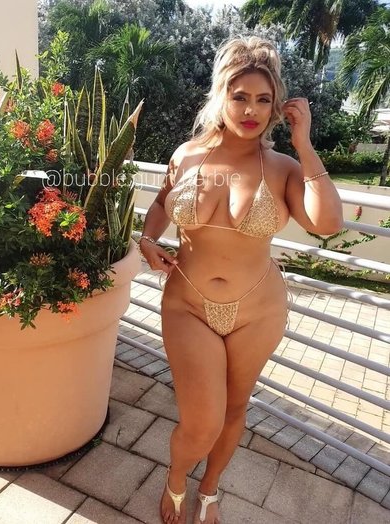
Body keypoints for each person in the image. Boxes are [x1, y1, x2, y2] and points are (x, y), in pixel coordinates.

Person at [138, 36, 343, 524]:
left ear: (276, 107)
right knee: (201, 422)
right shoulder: (187, 155)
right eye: (240, 96)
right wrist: (147, 240)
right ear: (221, 97)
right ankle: (176, 477)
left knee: (233, 411)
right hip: (188, 305)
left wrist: (304, 145)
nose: (251, 110)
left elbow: (328, 222)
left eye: (263, 99)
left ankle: (209, 489)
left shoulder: (284, 168)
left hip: (258, 310)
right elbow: (162, 204)